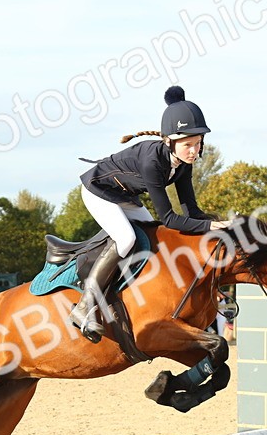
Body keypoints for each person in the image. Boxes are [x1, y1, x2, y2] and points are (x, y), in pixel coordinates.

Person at [69, 86, 228, 342]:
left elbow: (191, 211)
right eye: (188, 145)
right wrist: (210, 228)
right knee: (127, 239)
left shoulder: (183, 164)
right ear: (169, 141)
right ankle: (85, 305)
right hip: (98, 191)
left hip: (125, 197)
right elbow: (169, 218)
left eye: (198, 144)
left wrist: (220, 224)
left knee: (155, 237)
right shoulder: (153, 163)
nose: (194, 151)